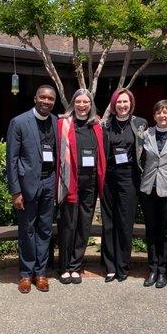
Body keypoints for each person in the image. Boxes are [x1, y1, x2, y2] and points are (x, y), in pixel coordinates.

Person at [6, 85, 57, 294]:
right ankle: (26, 274)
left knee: (45, 230)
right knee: (27, 230)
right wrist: (15, 191)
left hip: (49, 183)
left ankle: (41, 273)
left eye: (50, 99)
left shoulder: (56, 121)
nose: (46, 101)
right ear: (35, 98)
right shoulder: (19, 122)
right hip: (27, 187)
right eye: (43, 97)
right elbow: (11, 159)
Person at [57, 89, 106, 284]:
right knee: (68, 225)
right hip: (70, 181)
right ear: (73, 103)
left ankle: (76, 266)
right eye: (78, 101)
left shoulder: (97, 125)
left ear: (91, 104)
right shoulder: (63, 123)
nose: (82, 105)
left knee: (84, 225)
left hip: (90, 184)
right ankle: (64, 267)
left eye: (86, 102)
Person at [101, 88, 147, 282]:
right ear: (113, 104)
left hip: (129, 177)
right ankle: (110, 266)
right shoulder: (106, 125)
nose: (122, 105)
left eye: (125, 102)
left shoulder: (140, 124)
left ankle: (123, 265)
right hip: (109, 177)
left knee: (125, 223)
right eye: (118, 102)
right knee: (109, 222)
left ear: (131, 103)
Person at [140, 100, 167, 288]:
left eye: (166, 113)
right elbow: (139, 156)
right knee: (151, 230)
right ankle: (153, 269)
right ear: (154, 115)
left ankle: (164, 270)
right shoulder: (146, 133)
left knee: (166, 230)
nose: (162, 116)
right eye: (159, 112)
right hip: (149, 187)